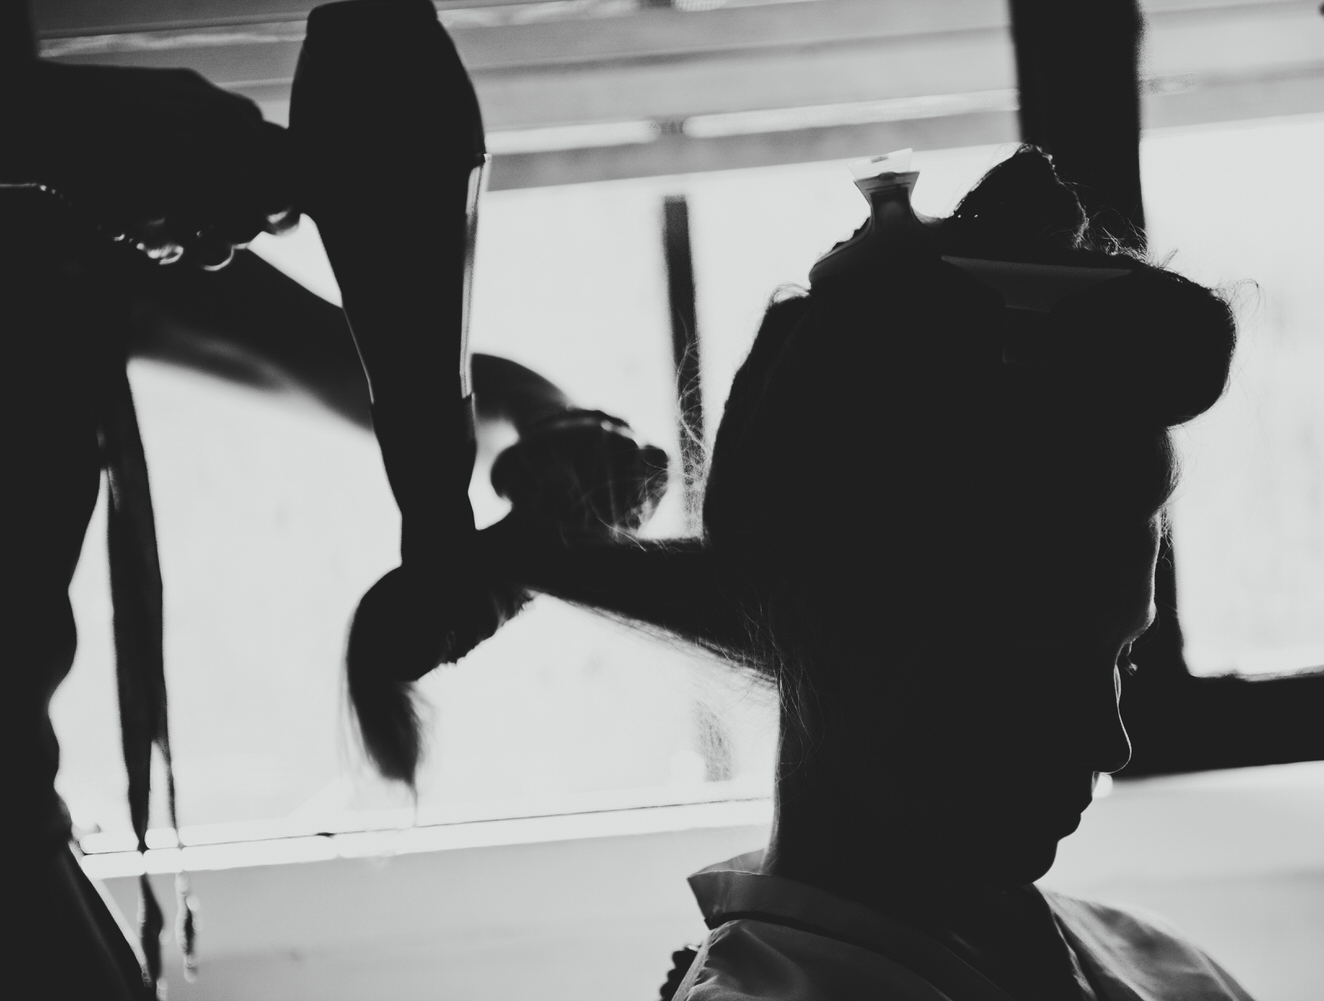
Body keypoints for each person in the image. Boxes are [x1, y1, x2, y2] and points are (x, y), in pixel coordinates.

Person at [424, 145, 1250, 1000]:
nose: (1111, 741)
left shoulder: (1170, 966)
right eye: (1040, 667)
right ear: (841, 632)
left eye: (1123, 658)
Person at [1, 2, 666, 993]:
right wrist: (50, 127)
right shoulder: (59, 205)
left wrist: (560, 427)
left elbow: (409, 363)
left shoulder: (61, 246)